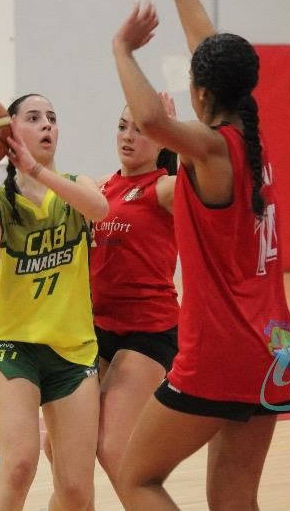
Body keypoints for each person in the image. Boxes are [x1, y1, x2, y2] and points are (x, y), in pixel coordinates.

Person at [111, 0, 290, 509]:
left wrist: (122, 49)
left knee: (136, 477)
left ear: (200, 93)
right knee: (233, 499)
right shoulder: (249, 136)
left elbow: (151, 120)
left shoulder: (213, 149)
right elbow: (206, 47)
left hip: (223, 349)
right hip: (275, 346)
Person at [0, 93, 108, 511]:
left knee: (76, 491)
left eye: (52, 117)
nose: (47, 124)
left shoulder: (78, 187)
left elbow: (100, 209)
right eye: (34, 118)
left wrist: (36, 170)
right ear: (8, 130)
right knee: (19, 465)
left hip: (73, 352)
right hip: (11, 347)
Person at [90, 99, 180, 487]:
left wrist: (177, 132)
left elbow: (206, 181)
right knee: (62, 447)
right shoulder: (100, 188)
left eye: (140, 130)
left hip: (148, 332)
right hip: (97, 330)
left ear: (162, 141)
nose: (127, 136)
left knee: (112, 447)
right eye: (122, 126)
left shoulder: (165, 189)